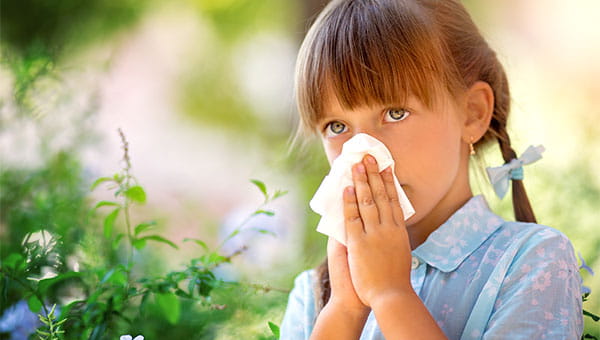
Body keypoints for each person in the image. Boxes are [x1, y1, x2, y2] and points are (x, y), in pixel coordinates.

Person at [280, 0, 583, 339]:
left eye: (394, 113)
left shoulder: (532, 261)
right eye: (337, 127)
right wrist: (345, 310)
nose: (364, 156)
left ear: (472, 113)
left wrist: (391, 295)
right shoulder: (315, 295)